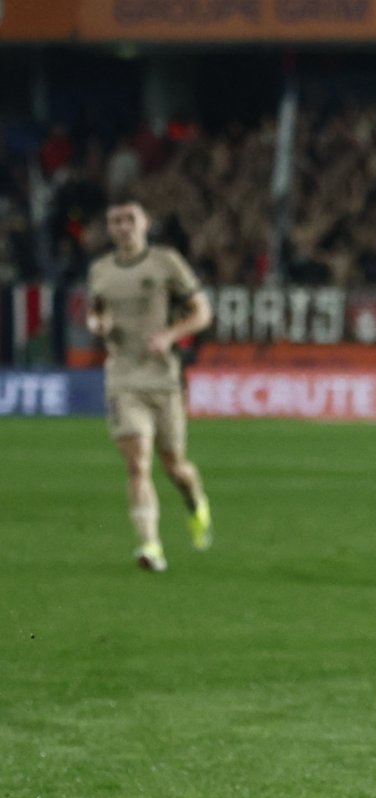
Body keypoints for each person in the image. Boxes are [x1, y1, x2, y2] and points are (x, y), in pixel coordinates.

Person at [86, 197, 214, 573]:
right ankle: (150, 545)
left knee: (175, 466)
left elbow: (202, 312)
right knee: (138, 463)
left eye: (129, 219)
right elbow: (97, 311)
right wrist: (99, 325)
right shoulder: (101, 270)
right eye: (115, 220)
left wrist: (171, 335)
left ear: (145, 223)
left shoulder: (165, 263)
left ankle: (196, 502)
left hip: (163, 379)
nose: (122, 226)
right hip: (123, 378)